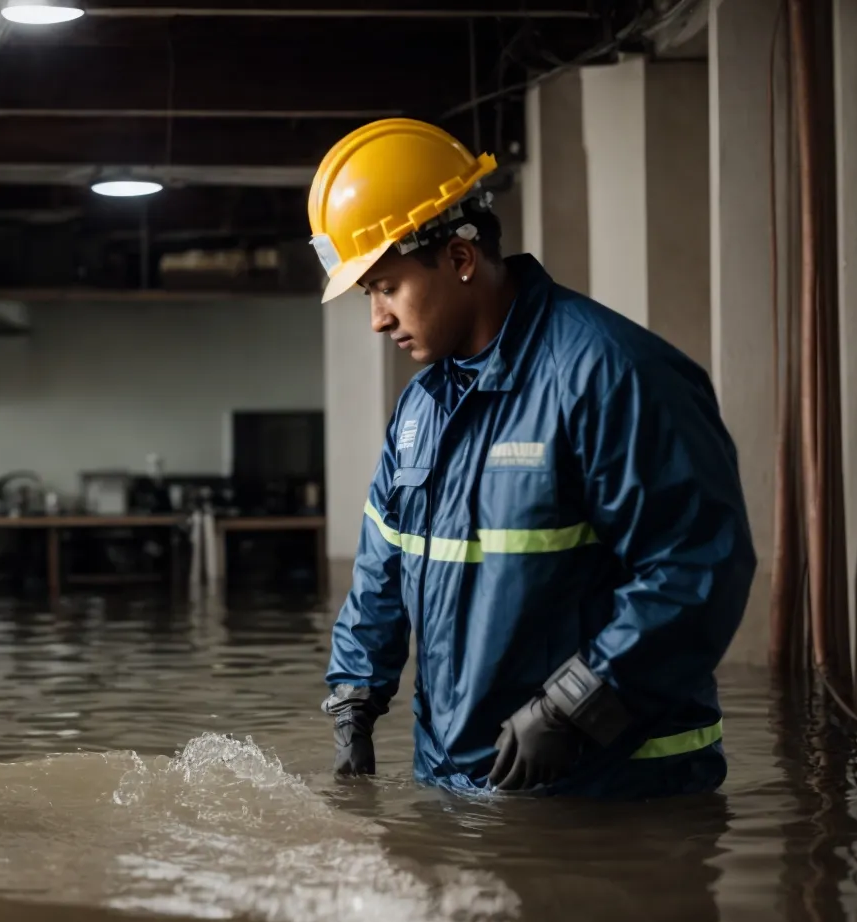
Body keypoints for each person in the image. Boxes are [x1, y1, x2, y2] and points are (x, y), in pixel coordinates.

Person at [312, 119, 755, 798]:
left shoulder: (613, 377)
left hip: (617, 797)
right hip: (463, 785)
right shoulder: (422, 409)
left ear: (460, 259)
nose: (376, 318)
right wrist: (354, 702)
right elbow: (382, 567)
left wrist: (576, 707)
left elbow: (696, 567)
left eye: (386, 287)